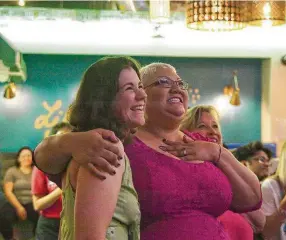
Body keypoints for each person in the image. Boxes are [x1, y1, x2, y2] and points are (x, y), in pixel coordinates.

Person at [34, 62, 261, 240]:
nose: (176, 88)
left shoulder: (201, 144)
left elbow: (253, 198)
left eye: (181, 84)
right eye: (163, 82)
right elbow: (44, 158)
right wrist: (70, 142)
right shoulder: (115, 143)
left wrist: (217, 152)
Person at [35, 56, 146, 239]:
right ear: (104, 99)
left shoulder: (90, 143)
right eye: (129, 88)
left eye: (140, 86)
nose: (143, 95)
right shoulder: (104, 147)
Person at [180, 105, 265, 239]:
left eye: (215, 126)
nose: (212, 131)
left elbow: (259, 220)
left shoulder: (225, 168)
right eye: (202, 126)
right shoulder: (182, 172)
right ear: (185, 134)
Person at [31, 122, 73, 240]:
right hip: (49, 225)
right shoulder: (42, 165)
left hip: (74, 221)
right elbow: (37, 205)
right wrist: (63, 188)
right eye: (59, 137)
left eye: (69, 137)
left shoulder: (80, 164)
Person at [0, 147, 39, 240]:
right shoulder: (12, 171)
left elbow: (40, 189)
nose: (26, 158)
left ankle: (37, 236)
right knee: (3, 215)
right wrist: (19, 207)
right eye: (23, 156)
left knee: (41, 215)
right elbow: (8, 192)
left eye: (29, 155)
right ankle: (9, 238)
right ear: (18, 158)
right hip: (15, 201)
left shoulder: (37, 171)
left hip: (33, 201)